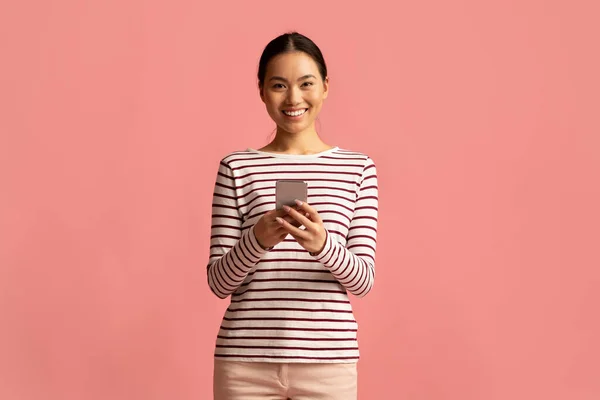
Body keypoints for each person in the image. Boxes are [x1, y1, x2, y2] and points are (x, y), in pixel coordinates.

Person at [207, 31, 379, 400]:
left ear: (326, 86)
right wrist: (257, 241)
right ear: (261, 90)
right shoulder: (236, 167)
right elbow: (219, 283)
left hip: (329, 363)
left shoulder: (358, 168)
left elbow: (363, 281)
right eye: (279, 85)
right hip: (244, 361)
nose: (294, 98)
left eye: (306, 84)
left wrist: (322, 245)